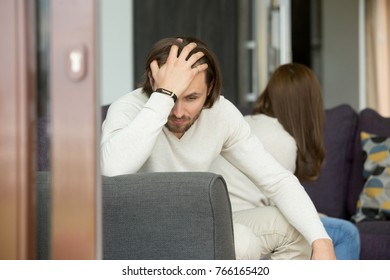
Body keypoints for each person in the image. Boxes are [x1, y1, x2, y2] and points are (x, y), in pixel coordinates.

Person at [100, 37, 336, 260]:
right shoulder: (129, 108)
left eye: (191, 98)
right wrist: (163, 96)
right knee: (242, 242)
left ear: (210, 87)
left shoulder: (221, 113)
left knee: (302, 230)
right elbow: (111, 172)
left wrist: (322, 240)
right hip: (142, 230)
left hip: (199, 224)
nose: (179, 112)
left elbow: (277, 180)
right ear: (153, 81)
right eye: (174, 97)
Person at [210, 63, 360, 259]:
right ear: (309, 104)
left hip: (223, 218)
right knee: (346, 232)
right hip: (242, 223)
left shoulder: (245, 122)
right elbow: (283, 201)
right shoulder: (282, 141)